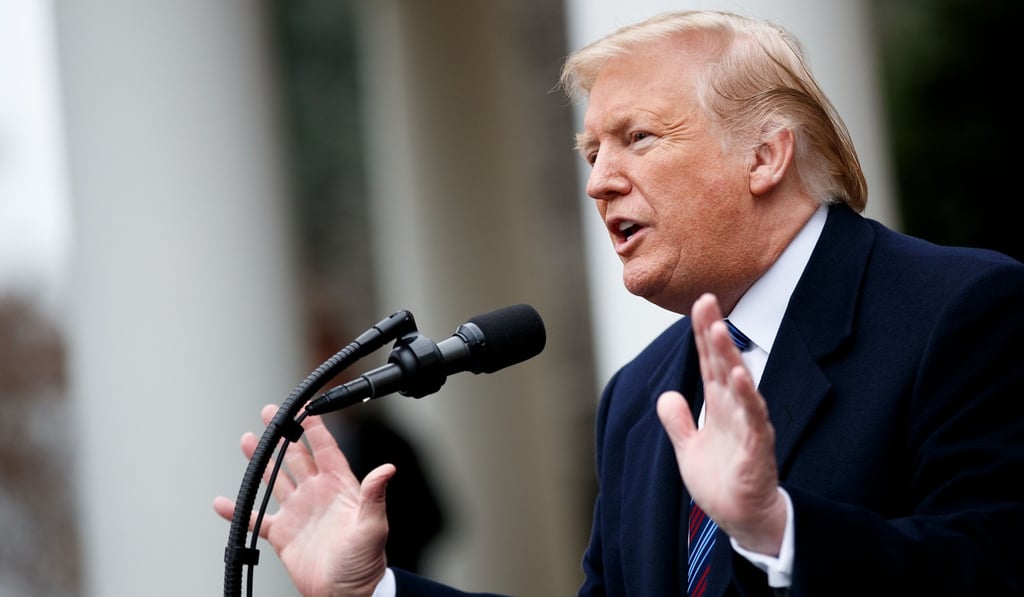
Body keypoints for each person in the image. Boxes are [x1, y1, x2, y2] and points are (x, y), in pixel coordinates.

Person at [214, 9, 1024, 596]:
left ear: (765, 155)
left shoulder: (961, 310)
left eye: (639, 138)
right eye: (591, 150)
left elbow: (992, 566)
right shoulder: (640, 399)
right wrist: (376, 592)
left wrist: (776, 528)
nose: (599, 180)